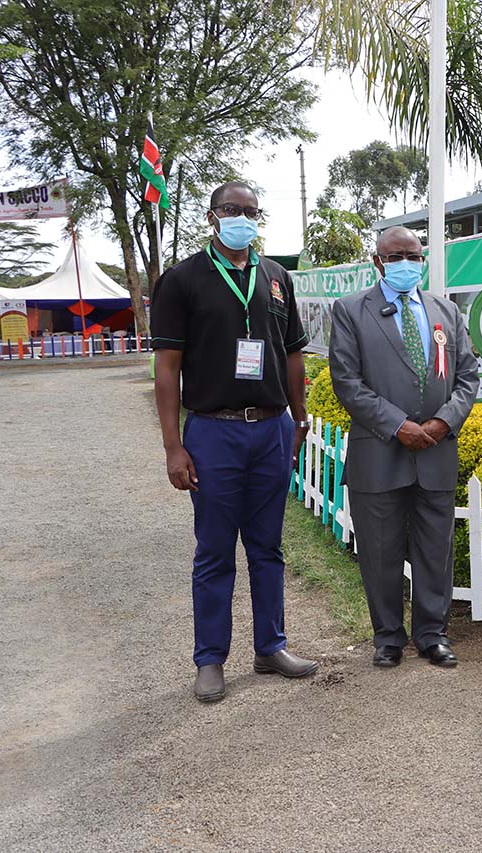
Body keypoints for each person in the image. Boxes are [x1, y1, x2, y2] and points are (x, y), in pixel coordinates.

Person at [152, 180, 320, 703]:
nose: (242, 218)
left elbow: (293, 356)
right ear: (212, 217)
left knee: (268, 547)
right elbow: (167, 369)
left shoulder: (276, 279)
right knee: (215, 550)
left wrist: (298, 419)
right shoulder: (182, 280)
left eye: (250, 210)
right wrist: (173, 446)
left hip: (270, 429)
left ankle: (271, 646)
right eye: (232, 209)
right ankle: (210, 660)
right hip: (213, 431)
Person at [329, 226, 479, 668]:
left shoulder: (445, 312)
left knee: (436, 549)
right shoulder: (351, 311)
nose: (407, 263)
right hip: (379, 453)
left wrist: (442, 421)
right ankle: (388, 637)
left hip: (436, 449)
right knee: (380, 551)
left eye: (414, 255)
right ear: (379, 262)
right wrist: (398, 426)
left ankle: (433, 635)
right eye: (396, 256)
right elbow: (347, 382)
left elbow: (467, 377)